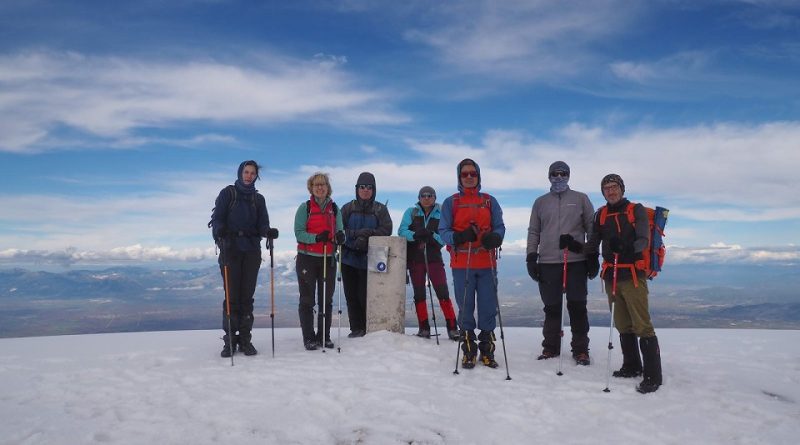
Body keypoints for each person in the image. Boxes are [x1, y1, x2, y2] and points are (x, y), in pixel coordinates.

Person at [585, 174, 663, 394]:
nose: (611, 191)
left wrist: (626, 248)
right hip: (611, 277)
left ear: (622, 189)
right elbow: (593, 243)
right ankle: (631, 366)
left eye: (614, 187)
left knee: (642, 324)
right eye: (606, 188)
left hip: (633, 275)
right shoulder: (600, 214)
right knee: (622, 323)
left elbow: (643, 239)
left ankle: (653, 376)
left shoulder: (635, 210)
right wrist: (574, 246)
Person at [526, 161, 597, 366]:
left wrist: (592, 255)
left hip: (575, 261)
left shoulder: (581, 199)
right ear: (549, 176)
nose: (559, 177)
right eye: (555, 174)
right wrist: (532, 256)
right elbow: (534, 231)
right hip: (548, 262)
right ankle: (550, 347)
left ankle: (581, 350)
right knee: (552, 307)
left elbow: (592, 229)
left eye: (563, 174)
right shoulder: (540, 202)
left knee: (577, 307)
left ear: (569, 176)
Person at [439, 159, 505, 369]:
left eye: (473, 174)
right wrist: (458, 237)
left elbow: (500, 227)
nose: (469, 177)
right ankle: (468, 350)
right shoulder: (451, 202)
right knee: (465, 307)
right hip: (462, 263)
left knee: (487, 307)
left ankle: (487, 350)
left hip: (486, 262)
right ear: (459, 177)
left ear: (478, 176)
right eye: (464, 174)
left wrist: (495, 237)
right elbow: (443, 232)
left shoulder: (489, 201)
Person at [210, 160, 278, 358]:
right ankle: (230, 340)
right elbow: (218, 218)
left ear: (256, 176)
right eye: (246, 172)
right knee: (231, 297)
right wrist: (219, 231)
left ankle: (245, 339)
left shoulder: (258, 199)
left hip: (250, 251)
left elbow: (262, 224)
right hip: (230, 248)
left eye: (252, 173)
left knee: (246, 297)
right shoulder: (228, 193)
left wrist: (268, 231)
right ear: (240, 173)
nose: (249, 176)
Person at [397, 186, 459, 340]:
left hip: (434, 259)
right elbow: (402, 231)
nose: (426, 198)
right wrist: (416, 235)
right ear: (419, 198)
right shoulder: (411, 212)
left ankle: (452, 327)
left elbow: (445, 237)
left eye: (430, 195)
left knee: (442, 292)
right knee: (419, 294)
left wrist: (431, 235)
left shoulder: (442, 213)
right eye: (423, 195)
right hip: (415, 260)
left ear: (435, 197)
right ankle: (423, 328)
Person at [294, 172, 345, 351]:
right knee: (307, 300)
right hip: (307, 258)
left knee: (326, 300)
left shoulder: (335, 209)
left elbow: (341, 231)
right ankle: (309, 338)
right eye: (316, 185)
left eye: (323, 184)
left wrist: (340, 236)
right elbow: (298, 233)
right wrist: (316, 238)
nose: (320, 187)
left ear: (327, 187)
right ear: (311, 188)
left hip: (328, 258)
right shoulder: (305, 208)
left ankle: (324, 336)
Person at [341, 172, 393, 338]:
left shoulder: (380, 209)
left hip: (372, 259)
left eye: (369, 187)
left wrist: (367, 236)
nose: (365, 190)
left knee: (367, 295)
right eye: (362, 187)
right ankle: (356, 328)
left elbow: (387, 230)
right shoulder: (348, 208)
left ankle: (368, 327)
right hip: (349, 257)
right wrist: (355, 237)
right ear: (357, 189)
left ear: (374, 189)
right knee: (351, 295)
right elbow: (340, 232)